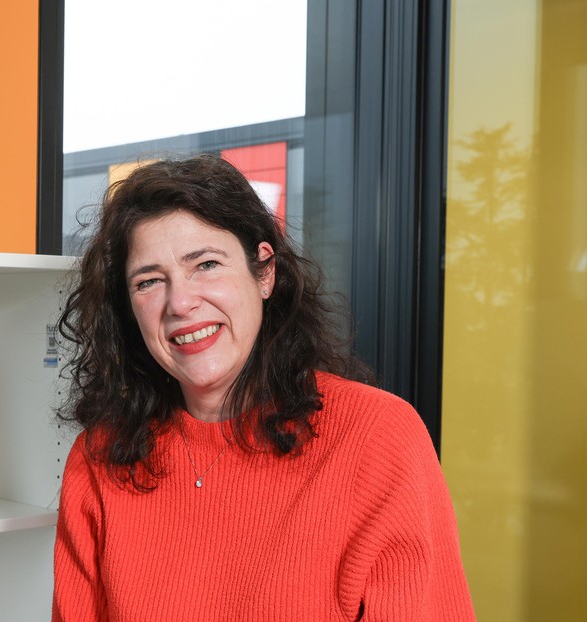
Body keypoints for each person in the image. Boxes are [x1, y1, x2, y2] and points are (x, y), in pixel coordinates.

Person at [51, 154, 475, 621]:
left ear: (265, 272)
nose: (181, 302)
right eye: (149, 281)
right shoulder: (99, 456)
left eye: (207, 264)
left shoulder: (377, 437)